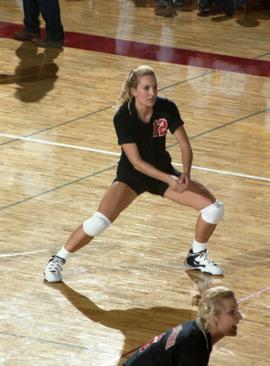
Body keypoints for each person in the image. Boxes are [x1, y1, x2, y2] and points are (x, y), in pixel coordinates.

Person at [43, 65, 225, 283]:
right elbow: (137, 163)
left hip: (163, 172)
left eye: (155, 87)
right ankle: (58, 259)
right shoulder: (123, 116)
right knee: (98, 222)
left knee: (214, 210)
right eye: (146, 88)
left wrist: (185, 173)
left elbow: (185, 145)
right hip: (132, 176)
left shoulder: (167, 107)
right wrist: (169, 179)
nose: (152, 93)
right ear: (133, 91)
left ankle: (196, 256)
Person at [100, 286, 254, 366]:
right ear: (214, 319)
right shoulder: (195, 346)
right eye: (232, 312)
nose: (239, 316)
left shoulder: (195, 332)